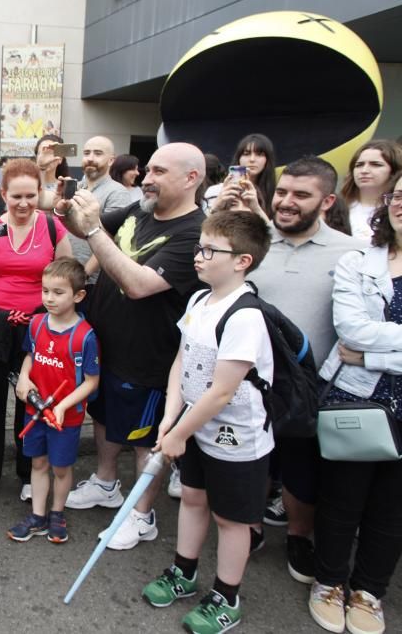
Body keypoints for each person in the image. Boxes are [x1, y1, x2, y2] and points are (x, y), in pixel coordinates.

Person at [214, 155, 364, 585]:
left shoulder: (351, 252)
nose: (287, 202)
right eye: (282, 192)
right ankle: (252, 527)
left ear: (327, 200)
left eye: (302, 195)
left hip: (309, 387)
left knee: (301, 471)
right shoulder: (253, 244)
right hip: (247, 382)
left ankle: (300, 536)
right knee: (251, 462)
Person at [57, 143, 207, 551]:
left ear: (191, 178)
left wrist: (90, 230)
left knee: (146, 440)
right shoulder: (142, 208)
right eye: (148, 169)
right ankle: (107, 483)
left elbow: (139, 285)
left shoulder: (195, 233)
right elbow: (87, 225)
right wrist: (64, 209)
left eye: (159, 171)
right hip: (107, 345)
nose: (147, 178)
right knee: (103, 416)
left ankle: (143, 515)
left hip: (150, 358)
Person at [141, 210, 273, 634]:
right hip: (193, 426)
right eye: (199, 247)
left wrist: (179, 431)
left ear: (242, 261)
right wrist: (169, 418)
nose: (198, 256)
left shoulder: (246, 315)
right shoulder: (198, 300)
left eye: (209, 250)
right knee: (193, 499)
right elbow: (182, 361)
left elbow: (222, 391)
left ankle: (226, 597)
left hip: (238, 437)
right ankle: (184, 572)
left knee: (231, 519)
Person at [308, 180, 402, 634]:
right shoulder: (359, 261)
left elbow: (366, 342)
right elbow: (352, 330)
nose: (401, 204)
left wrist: (376, 356)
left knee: (393, 506)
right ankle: (328, 580)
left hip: (387, 390)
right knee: (342, 498)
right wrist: (365, 351)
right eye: (398, 195)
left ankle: (369, 590)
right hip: (358, 397)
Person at [0, 158, 74, 506]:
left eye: (30, 195)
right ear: (3, 194)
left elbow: (68, 276)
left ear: (40, 193)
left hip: (40, 329)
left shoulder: (54, 228)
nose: (24, 204)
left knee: (34, 402)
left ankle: (30, 473)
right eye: (16, 197)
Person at [8, 258, 99, 544]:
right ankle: (37, 516)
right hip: (35, 411)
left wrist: (61, 406)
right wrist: (24, 378)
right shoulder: (36, 323)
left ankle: (57, 513)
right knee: (38, 463)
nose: (49, 298)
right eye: (45, 290)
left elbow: (92, 381)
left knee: (61, 468)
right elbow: (30, 357)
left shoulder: (85, 337)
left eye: (58, 292)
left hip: (65, 418)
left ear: (78, 295)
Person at [53, 136, 133, 278]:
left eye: (98, 153)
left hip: (90, 281)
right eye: (86, 153)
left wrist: (85, 275)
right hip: (64, 275)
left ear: (111, 160)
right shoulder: (74, 187)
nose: (90, 158)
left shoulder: (117, 192)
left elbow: (109, 240)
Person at [339, 139, 402, 241]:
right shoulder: (336, 208)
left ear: (394, 171)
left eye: (376, 164)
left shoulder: (397, 210)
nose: (364, 171)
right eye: (359, 165)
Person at [203, 133, 277, 215]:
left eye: (259, 154)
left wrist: (256, 208)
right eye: (246, 154)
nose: (252, 159)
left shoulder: (276, 194)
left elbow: (274, 228)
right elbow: (203, 226)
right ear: (238, 158)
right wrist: (217, 206)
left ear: (268, 160)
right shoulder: (216, 191)